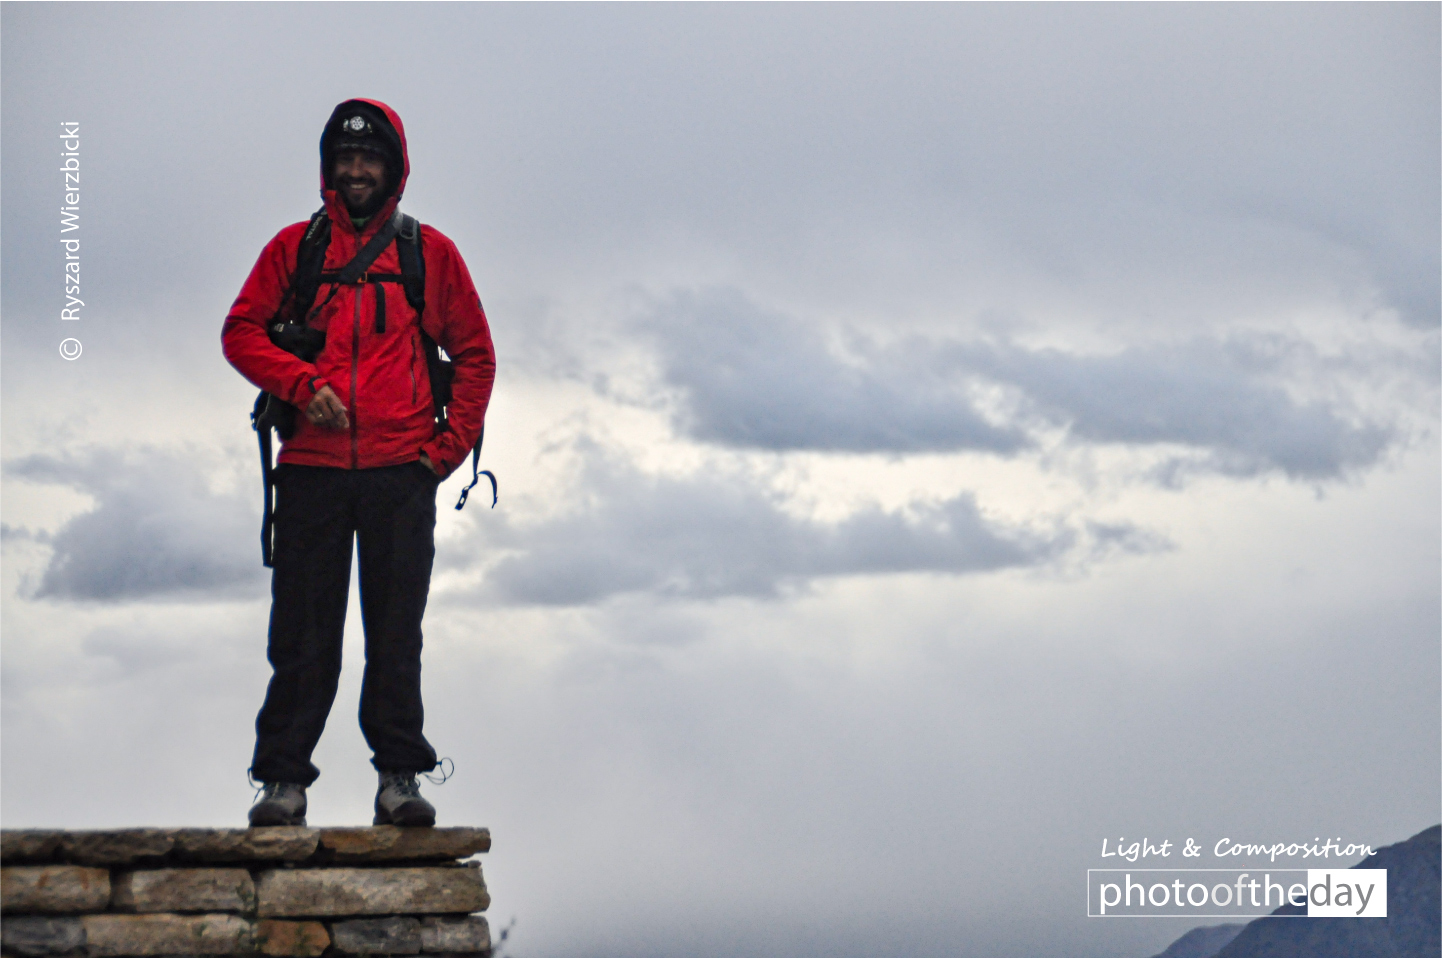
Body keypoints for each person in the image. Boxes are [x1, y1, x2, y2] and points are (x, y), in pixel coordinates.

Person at [222, 99, 495, 827]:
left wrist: (442, 454)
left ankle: (399, 777)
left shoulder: (430, 254)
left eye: (369, 158)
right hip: (310, 471)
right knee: (301, 638)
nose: (355, 170)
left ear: (394, 167)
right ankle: (283, 783)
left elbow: (476, 354)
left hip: (400, 472)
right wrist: (300, 384)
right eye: (344, 158)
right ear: (327, 166)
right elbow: (240, 332)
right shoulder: (294, 249)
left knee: (396, 636)